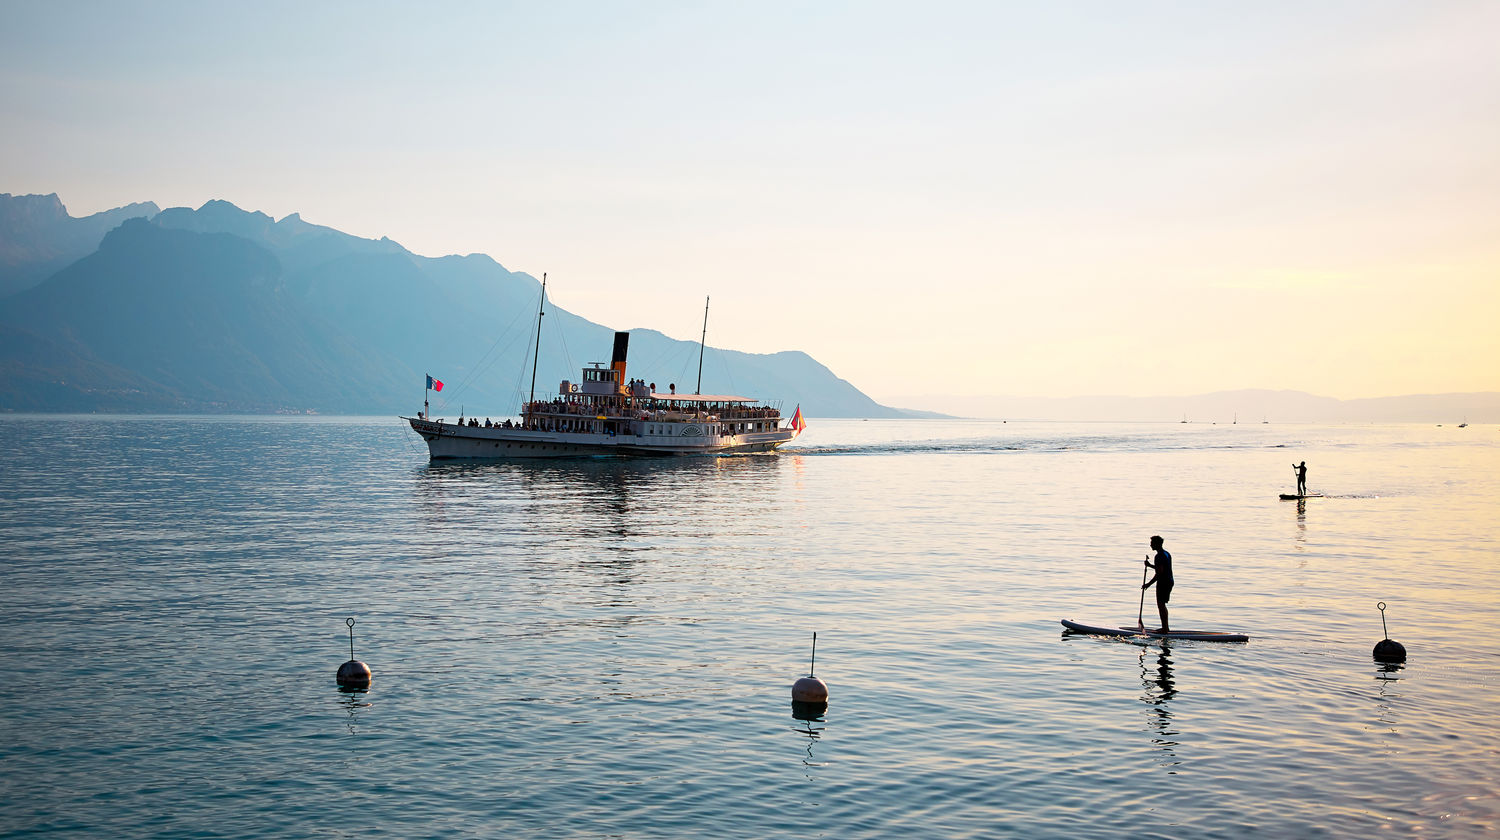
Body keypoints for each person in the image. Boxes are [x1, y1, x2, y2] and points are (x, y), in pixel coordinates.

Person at [1142, 535, 1174, 633]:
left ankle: (1165, 628)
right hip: (1169, 581)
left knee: (1161, 605)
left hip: (1164, 582)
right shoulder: (1166, 553)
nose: (1150, 545)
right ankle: (1165, 627)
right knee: (1162, 604)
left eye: (1152, 543)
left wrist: (1148, 584)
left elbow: (1159, 573)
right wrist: (1150, 565)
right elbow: (1161, 569)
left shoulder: (1159, 556)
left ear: (1157, 544)